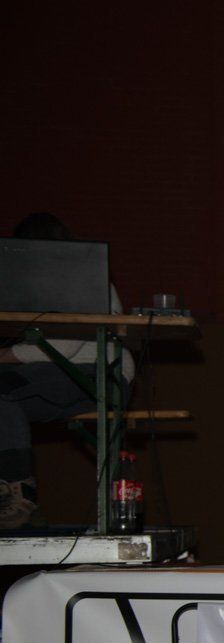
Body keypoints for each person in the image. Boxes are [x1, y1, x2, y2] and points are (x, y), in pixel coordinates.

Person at [0, 212, 134, 528]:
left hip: (101, 373)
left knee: (4, 390)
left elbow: (64, 345)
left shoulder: (84, 277)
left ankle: (19, 494)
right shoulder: (39, 283)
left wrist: (5, 355)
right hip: (63, 375)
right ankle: (15, 495)